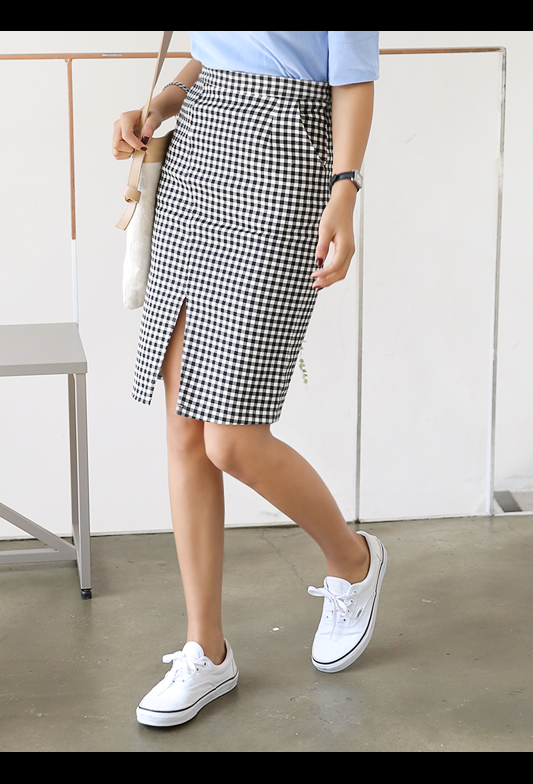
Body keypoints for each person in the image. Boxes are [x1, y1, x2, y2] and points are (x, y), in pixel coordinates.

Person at [112, 31, 385, 727]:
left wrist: (345, 191)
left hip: (287, 160)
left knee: (231, 439)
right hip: (198, 150)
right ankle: (206, 649)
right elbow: (217, 47)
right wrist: (163, 101)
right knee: (184, 428)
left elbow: (352, 76)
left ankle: (351, 561)